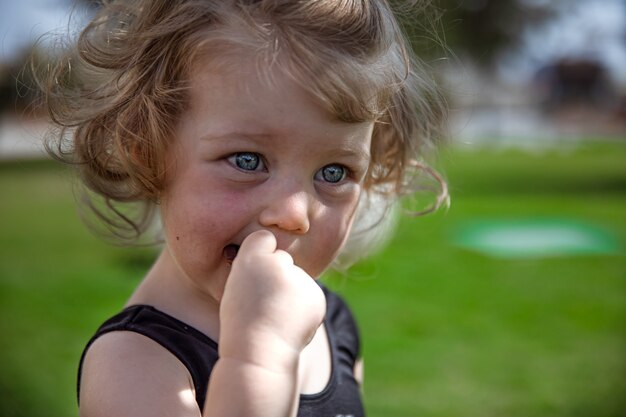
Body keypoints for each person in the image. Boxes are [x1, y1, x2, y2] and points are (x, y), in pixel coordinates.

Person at [40, 1, 447, 416]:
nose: (293, 214)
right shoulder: (133, 365)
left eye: (334, 171)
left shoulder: (333, 324)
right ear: (148, 151)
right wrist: (262, 357)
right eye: (247, 160)